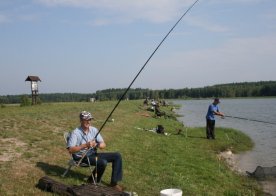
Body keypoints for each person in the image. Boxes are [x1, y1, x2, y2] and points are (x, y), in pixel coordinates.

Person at [67, 111, 123, 191]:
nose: (88, 121)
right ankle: (91, 181)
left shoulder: (94, 130)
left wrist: (97, 145)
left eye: (90, 119)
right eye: (86, 119)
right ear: (81, 120)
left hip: (93, 154)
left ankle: (113, 184)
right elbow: (71, 150)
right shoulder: (75, 133)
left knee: (117, 155)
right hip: (81, 157)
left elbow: (103, 145)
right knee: (102, 162)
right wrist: (85, 145)